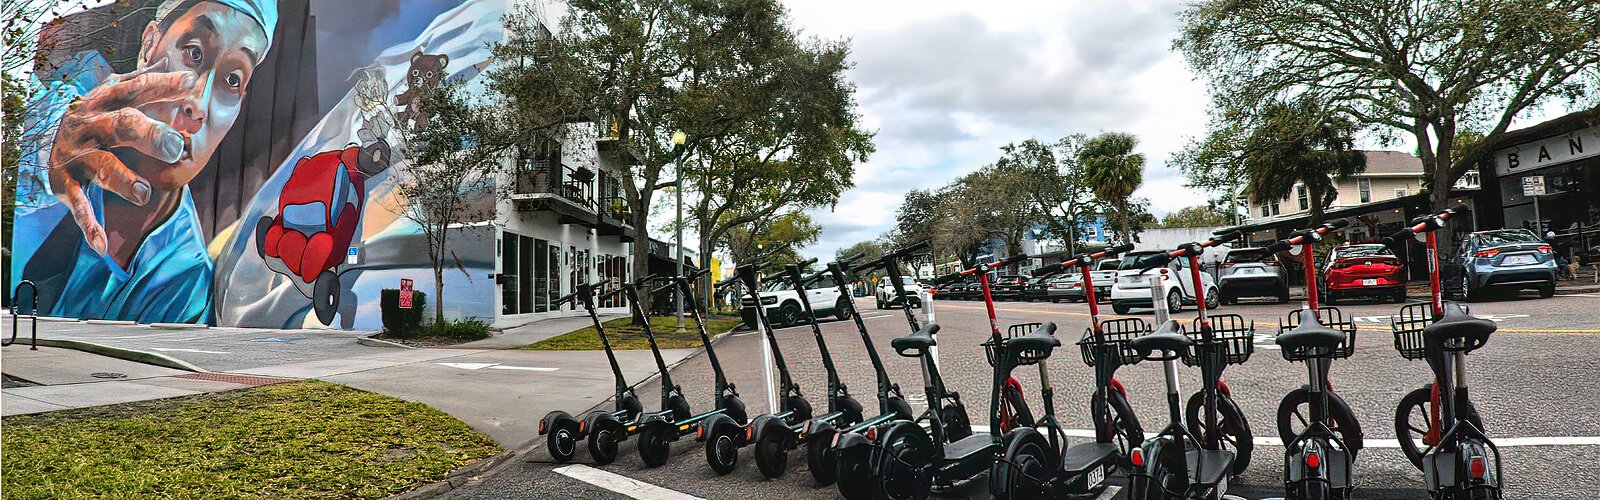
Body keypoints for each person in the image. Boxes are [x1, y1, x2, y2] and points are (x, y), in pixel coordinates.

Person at [11, 0, 277, 323]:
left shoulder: (186, 281)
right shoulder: (53, 111)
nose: (198, 105)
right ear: (149, 44)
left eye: (232, 80)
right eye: (194, 53)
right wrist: (45, 147)